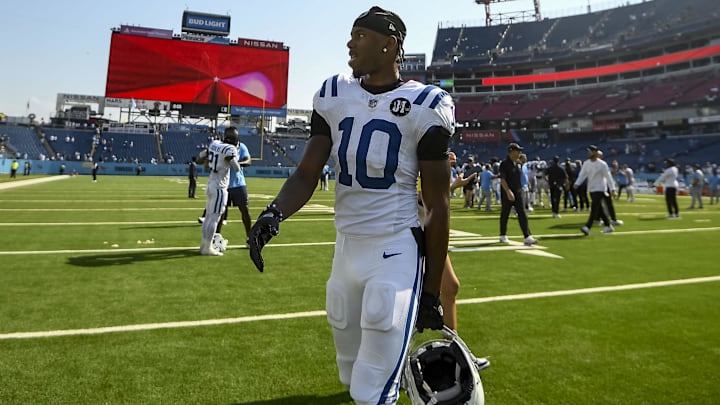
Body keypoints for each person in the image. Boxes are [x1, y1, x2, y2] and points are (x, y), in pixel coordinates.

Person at [247, 7, 451, 404]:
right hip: (346, 247)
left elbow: (437, 205)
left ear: (388, 45)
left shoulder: (426, 104)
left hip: (395, 248)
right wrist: (273, 214)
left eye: (360, 35)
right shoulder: (334, 94)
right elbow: (307, 173)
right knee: (348, 370)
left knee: (372, 389)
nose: (349, 42)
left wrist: (431, 293)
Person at [197, 127, 241, 256]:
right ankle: (207, 247)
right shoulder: (230, 149)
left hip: (211, 183)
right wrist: (232, 160)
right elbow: (236, 168)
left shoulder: (215, 143)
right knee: (214, 218)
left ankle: (204, 245)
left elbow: (200, 156)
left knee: (209, 217)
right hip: (220, 186)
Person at [499, 142, 538, 246]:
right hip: (508, 192)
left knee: (522, 213)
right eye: (517, 150)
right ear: (511, 151)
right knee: (505, 214)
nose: (519, 152)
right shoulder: (504, 164)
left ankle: (527, 236)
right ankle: (502, 234)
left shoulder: (518, 164)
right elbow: (502, 179)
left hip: (518, 191)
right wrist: (508, 191)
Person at [574, 145, 616, 235]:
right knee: (599, 208)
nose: (588, 153)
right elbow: (582, 175)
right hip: (592, 188)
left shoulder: (602, 164)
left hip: (600, 188)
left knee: (594, 208)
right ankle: (608, 226)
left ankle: (587, 227)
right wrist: (577, 183)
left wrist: (613, 189)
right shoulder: (586, 163)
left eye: (590, 151)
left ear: (595, 152)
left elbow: (608, 177)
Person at [217, 142, 253, 243]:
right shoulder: (221, 147)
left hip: (239, 183)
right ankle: (215, 238)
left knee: (245, 210)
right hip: (223, 183)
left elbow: (248, 161)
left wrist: (235, 163)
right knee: (220, 212)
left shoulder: (241, 146)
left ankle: (249, 237)